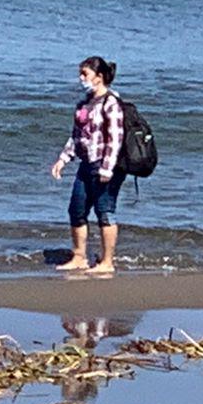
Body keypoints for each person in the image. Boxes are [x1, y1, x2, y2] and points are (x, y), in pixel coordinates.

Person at [50, 56, 125, 274]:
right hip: (86, 164)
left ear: (99, 77)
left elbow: (115, 139)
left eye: (85, 74)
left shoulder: (111, 103)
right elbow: (76, 136)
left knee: (105, 212)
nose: (81, 78)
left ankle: (107, 262)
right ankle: (79, 257)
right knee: (76, 209)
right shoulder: (84, 103)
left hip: (105, 166)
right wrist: (63, 159)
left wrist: (107, 168)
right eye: (80, 74)